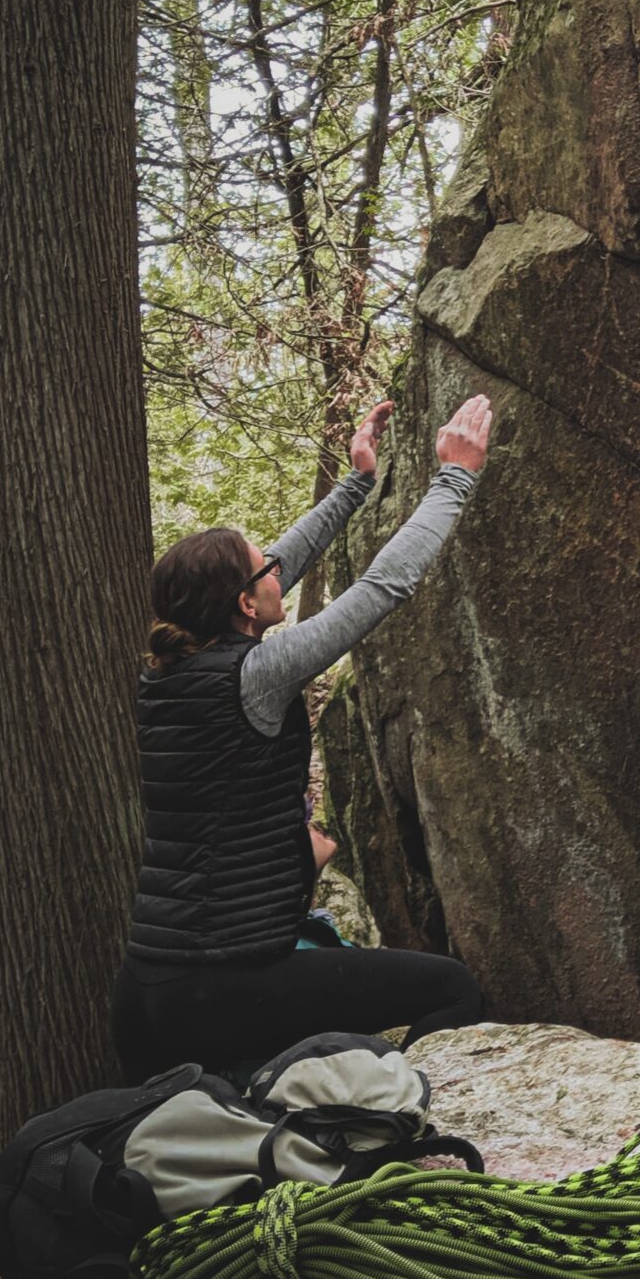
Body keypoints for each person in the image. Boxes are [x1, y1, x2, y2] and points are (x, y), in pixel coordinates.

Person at [112, 394, 496, 1080]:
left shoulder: (167, 675)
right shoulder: (257, 675)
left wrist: (357, 483)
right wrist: (456, 478)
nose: (278, 574)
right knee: (450, 988)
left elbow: (275, 563)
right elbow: (383, 586)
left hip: (147, 988)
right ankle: (398, 1139)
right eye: (264, 572)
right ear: (241, 603)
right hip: (221, 985)